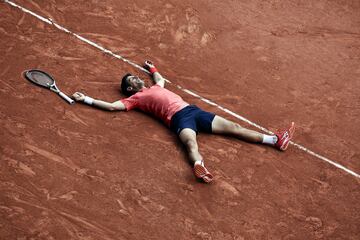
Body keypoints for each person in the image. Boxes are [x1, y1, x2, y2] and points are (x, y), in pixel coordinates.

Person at [72, 61, 295, 183]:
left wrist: (153, 69)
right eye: (132, 79)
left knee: (234, 128)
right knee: (190, 144)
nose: (137, 78)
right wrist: (87, 100)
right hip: (178, 119)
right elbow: (112, 106)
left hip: (194, 111)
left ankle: (274, 140)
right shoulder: (134, 99)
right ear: (129, 88)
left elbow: (160, 80)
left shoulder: (154, 87)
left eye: (136, 76)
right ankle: (199, 167)